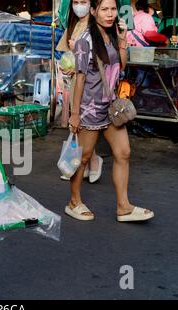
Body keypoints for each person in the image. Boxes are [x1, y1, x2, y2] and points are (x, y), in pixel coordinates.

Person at [66, 0, 154, 222]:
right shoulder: (86, 40)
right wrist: (75, 114)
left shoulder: (113, 34)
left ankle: (123, 207)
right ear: (94, 11)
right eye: (104, 9)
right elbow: (79, 77)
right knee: (83, 157)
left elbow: (121, 66)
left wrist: (123, 41)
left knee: (123, 153)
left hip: (111, 107)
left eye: (113, 9)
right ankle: (74, 201)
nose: (110, 14)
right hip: (90, 107)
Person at [57, 0, 103, 183]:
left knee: (83, 124)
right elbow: (68, 53)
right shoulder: (74, 24)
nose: (79, 6)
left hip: (90, 83)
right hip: (75, 81)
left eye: (83, 1)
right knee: (78, 125)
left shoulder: (96, 27)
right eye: (75, 2)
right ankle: (82, 162)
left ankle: (90, 161)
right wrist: (68, 66)